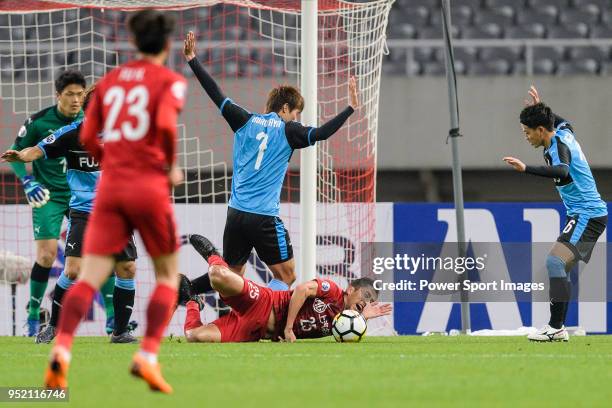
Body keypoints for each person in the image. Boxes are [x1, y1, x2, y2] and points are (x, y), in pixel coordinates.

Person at [44, 10, 187, 393]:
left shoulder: (109, 84)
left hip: (110, 191)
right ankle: (147, 357)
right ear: (168, 44)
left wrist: (111, 160)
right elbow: (165, 129)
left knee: (88, 276)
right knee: (167, 276)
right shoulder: (171, 83)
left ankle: (61, 353)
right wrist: (169, 167)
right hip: (147, 186)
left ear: (133, 41)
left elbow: (88, 136)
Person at [182, 31, 359, 294]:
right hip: (263, 217)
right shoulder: (290, 130)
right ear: (286, 108)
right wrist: (350, 108)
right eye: (296, 113)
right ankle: (266, 316)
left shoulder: (244, 120)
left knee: (232, 277)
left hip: (236, 214)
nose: (297, 118)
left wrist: (192, 59)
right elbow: (321, 133)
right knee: (287, 276)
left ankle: (185, 290)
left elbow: (216, 93)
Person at [2, 85, 139, 344]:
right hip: (84, 213)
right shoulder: (71, 134)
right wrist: (21, 155)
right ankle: (53, 326)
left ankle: (120, 332)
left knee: (127, 268)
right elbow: (39, 150)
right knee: (73, 270)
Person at [503, 86, 607, 342]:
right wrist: (542, 108)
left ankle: (555, 328)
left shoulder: (557, 145)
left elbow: (561, 171)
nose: (526, 137)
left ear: (540, 131)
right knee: (559, 265)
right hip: (586, 214)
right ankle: (556, 327)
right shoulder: (562, 132)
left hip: (587, 214)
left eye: (527, 133)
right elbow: (565, 123)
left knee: (555, 262)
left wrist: (526, 168)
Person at [180, 234, 391, 343]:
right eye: (366, 295)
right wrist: (288, 327)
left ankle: (191, 301)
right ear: (351, 289)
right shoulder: (333, 290)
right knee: (218, 275)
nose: (366, 302)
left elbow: (348, 332)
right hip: (264, 302)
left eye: (370, 301)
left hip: (254, 330)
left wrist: (364, 316)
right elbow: (301, 290)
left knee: (194, 336)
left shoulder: (344, 322)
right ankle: (213, 254)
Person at [7, 70, 91, 336]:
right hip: (48, 195)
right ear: (58, 95)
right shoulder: (39, 122)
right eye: (70, 95)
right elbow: (17, 153)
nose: (76, 100)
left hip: (82, 196)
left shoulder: (90, 121)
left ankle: (115, 320)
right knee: (45, 255)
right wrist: (28, 182)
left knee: (98, 256)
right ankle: (33, 315)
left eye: (80, 94)